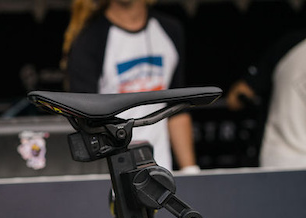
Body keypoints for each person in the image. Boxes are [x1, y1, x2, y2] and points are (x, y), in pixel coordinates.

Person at [62, 0, 198, 172]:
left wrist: (190, 170)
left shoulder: (169, 29)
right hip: (112, 175)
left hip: (161, 172)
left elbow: (177, 110)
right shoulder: (88, 40)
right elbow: (84, 123)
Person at [226, 31, 306, 169]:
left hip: (280, 158)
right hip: (282, 159)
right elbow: (235, 99)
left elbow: (235, 98)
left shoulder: (290, 43)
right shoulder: (291, 43)